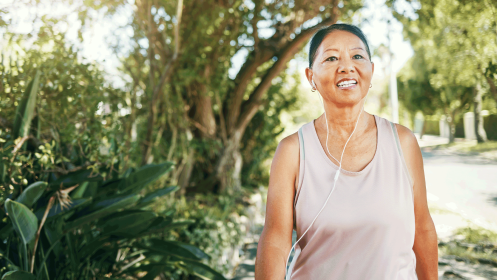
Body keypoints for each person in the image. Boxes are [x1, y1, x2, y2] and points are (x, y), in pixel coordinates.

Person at [254, 23, 438, 279]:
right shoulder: (292, 150)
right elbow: (275, 239)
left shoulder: (403, 141)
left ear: (371, 72)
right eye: (331, 58)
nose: (346, 66)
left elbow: (422, 228)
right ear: (311, 77)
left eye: (357, 56)